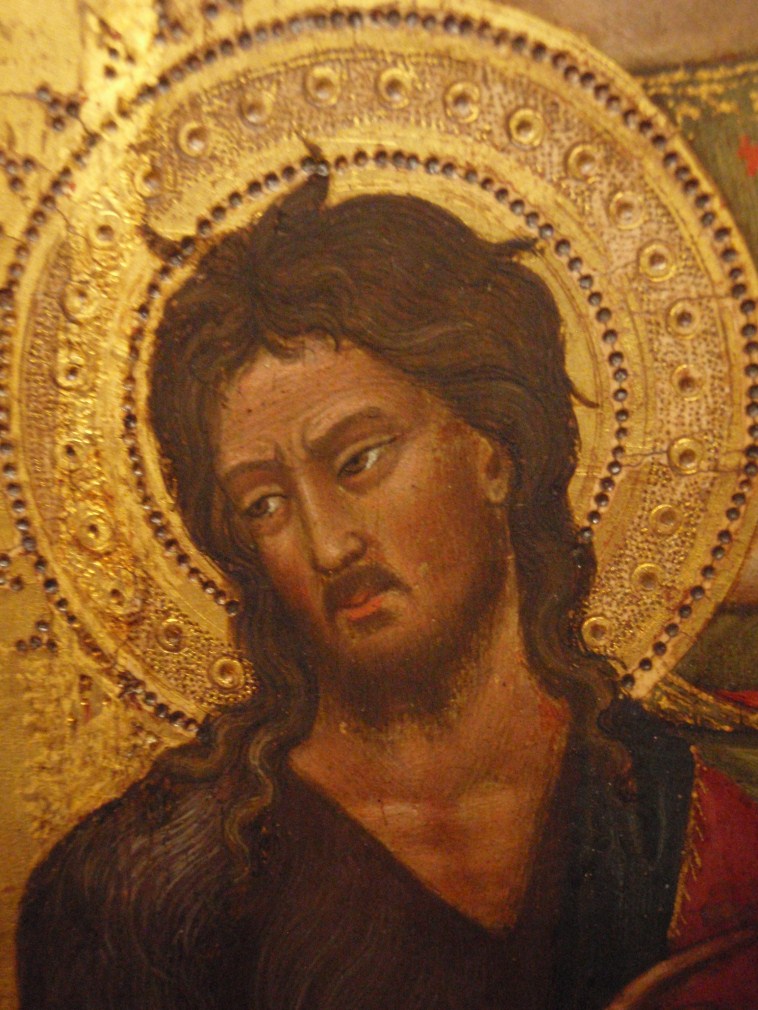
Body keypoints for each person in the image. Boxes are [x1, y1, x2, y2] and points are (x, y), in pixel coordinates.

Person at [15, 174, 757, 1010]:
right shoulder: (134, 893)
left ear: (494, 446)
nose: (328, 544)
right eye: (265, 504)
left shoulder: (690, 810)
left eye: (359, 459)